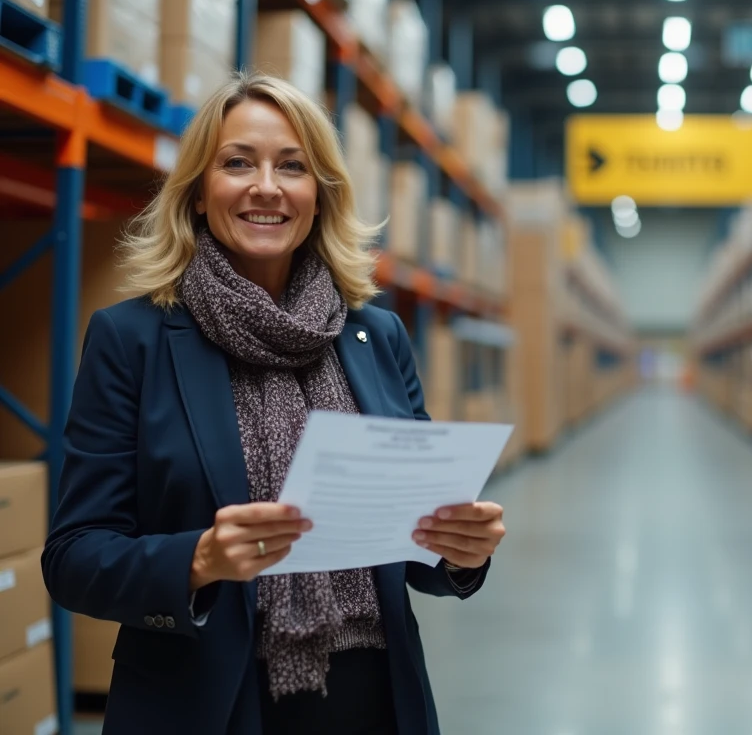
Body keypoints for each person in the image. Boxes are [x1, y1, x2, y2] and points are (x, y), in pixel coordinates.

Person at [41, 73, 506, 735]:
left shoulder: (377, 336)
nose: (267, 186)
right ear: (200, 192)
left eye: (293, 166)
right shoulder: (132, 339)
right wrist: (199, 559)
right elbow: (74, 558)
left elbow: (411, 546)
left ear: (319, 197)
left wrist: (459, 552)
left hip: (371, 700)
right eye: (237, 163)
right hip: (206, 701)